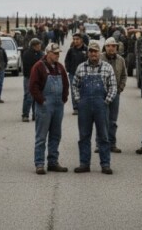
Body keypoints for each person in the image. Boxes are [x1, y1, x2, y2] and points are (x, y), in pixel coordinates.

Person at [72, 41, 117, 174]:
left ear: (99, 53)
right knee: (84, 136)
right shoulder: (81, 67)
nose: (93, 54)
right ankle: (84, 164)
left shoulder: (107, 67)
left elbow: (113, 87)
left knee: (103, 136)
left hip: (101, 106)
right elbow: (74, 85)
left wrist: (106, 101)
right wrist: (79, 101)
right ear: (88, 53)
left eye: (95, 51)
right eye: (91, 51)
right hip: (84, 106)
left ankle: (105, 164)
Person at [29, 42, 70, 175]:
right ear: (48, 53)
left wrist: (64, 98)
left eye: (58, 53)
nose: (57, 55)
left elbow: (65, 83)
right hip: (45, 105)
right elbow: (33, 87)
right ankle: (39, 164)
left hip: (58, 105)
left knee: (56, 135)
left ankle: (53, 162)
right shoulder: (38, 67)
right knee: (41, 136)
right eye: (55, 53)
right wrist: (42, 101)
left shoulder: (60, 68)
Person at [97, 37, 127, 153]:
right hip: (101, 94)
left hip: (115, 94)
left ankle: (112, 144)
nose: (111, 48)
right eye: (109, 46)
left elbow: (124, 75)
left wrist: (120, 88)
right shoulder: (100, 58)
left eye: (114, 46)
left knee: (112, 120)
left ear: (116, 48)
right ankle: (99, 144)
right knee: (101, 119)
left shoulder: (121, 60)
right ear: (105, 47)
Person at [21, 38, 44, 122]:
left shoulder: (41, 53)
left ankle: (36, 114)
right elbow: (27, 67)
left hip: (39, 77)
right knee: (28, 96)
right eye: (39, 45)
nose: (40, 46)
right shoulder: (27, 54)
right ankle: (25, 114)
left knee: (37, 96)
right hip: (29, 77)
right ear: (35, 46)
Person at [64, 33, 88, 114]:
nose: (75, 41)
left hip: (84, 74)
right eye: (74, 39)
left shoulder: (86, 49)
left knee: (84, 90)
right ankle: (76, 108)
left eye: (77, 39)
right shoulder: (71, 50)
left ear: (81, 40)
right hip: (72, 73)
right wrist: (68, 69)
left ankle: (83, 106)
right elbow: (67, 60)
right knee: (74, 90)